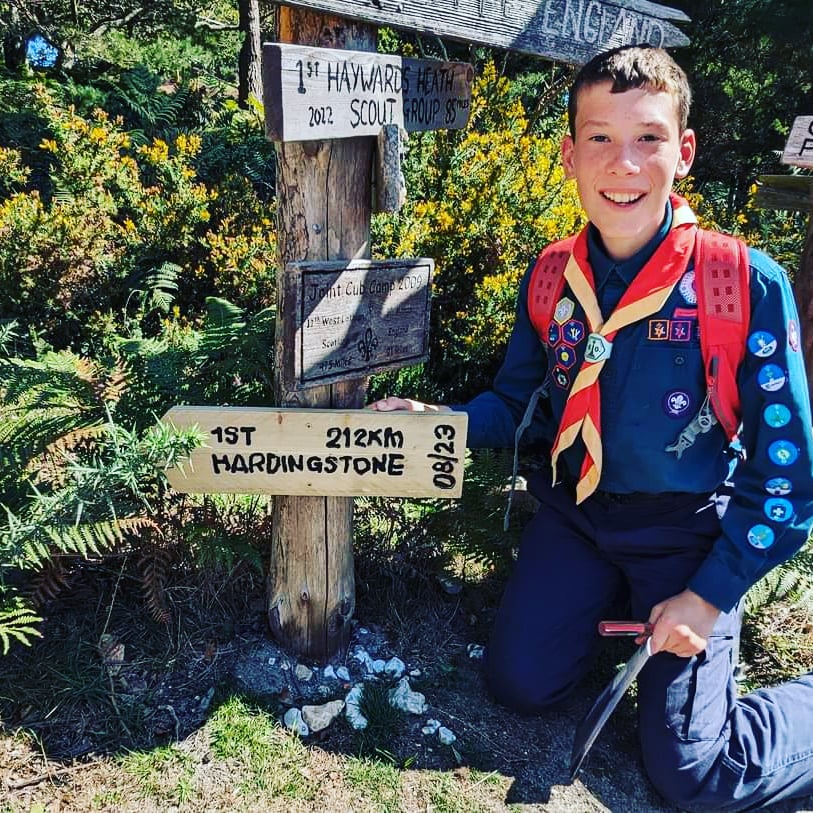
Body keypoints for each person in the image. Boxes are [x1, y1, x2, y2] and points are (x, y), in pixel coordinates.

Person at [370, 45, 813, 811]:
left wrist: (707, 596)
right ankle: (619, 620)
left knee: (697, 776)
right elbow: (519, 405)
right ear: (569, 155)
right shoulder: (552, 276)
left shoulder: (739, 281)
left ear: (684, 151)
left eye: (647, 137)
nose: (623, 163)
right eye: (599, 137)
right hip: (575, 517)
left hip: (686, 534)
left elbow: (787, 477)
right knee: (519, 685)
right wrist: (443, 422)